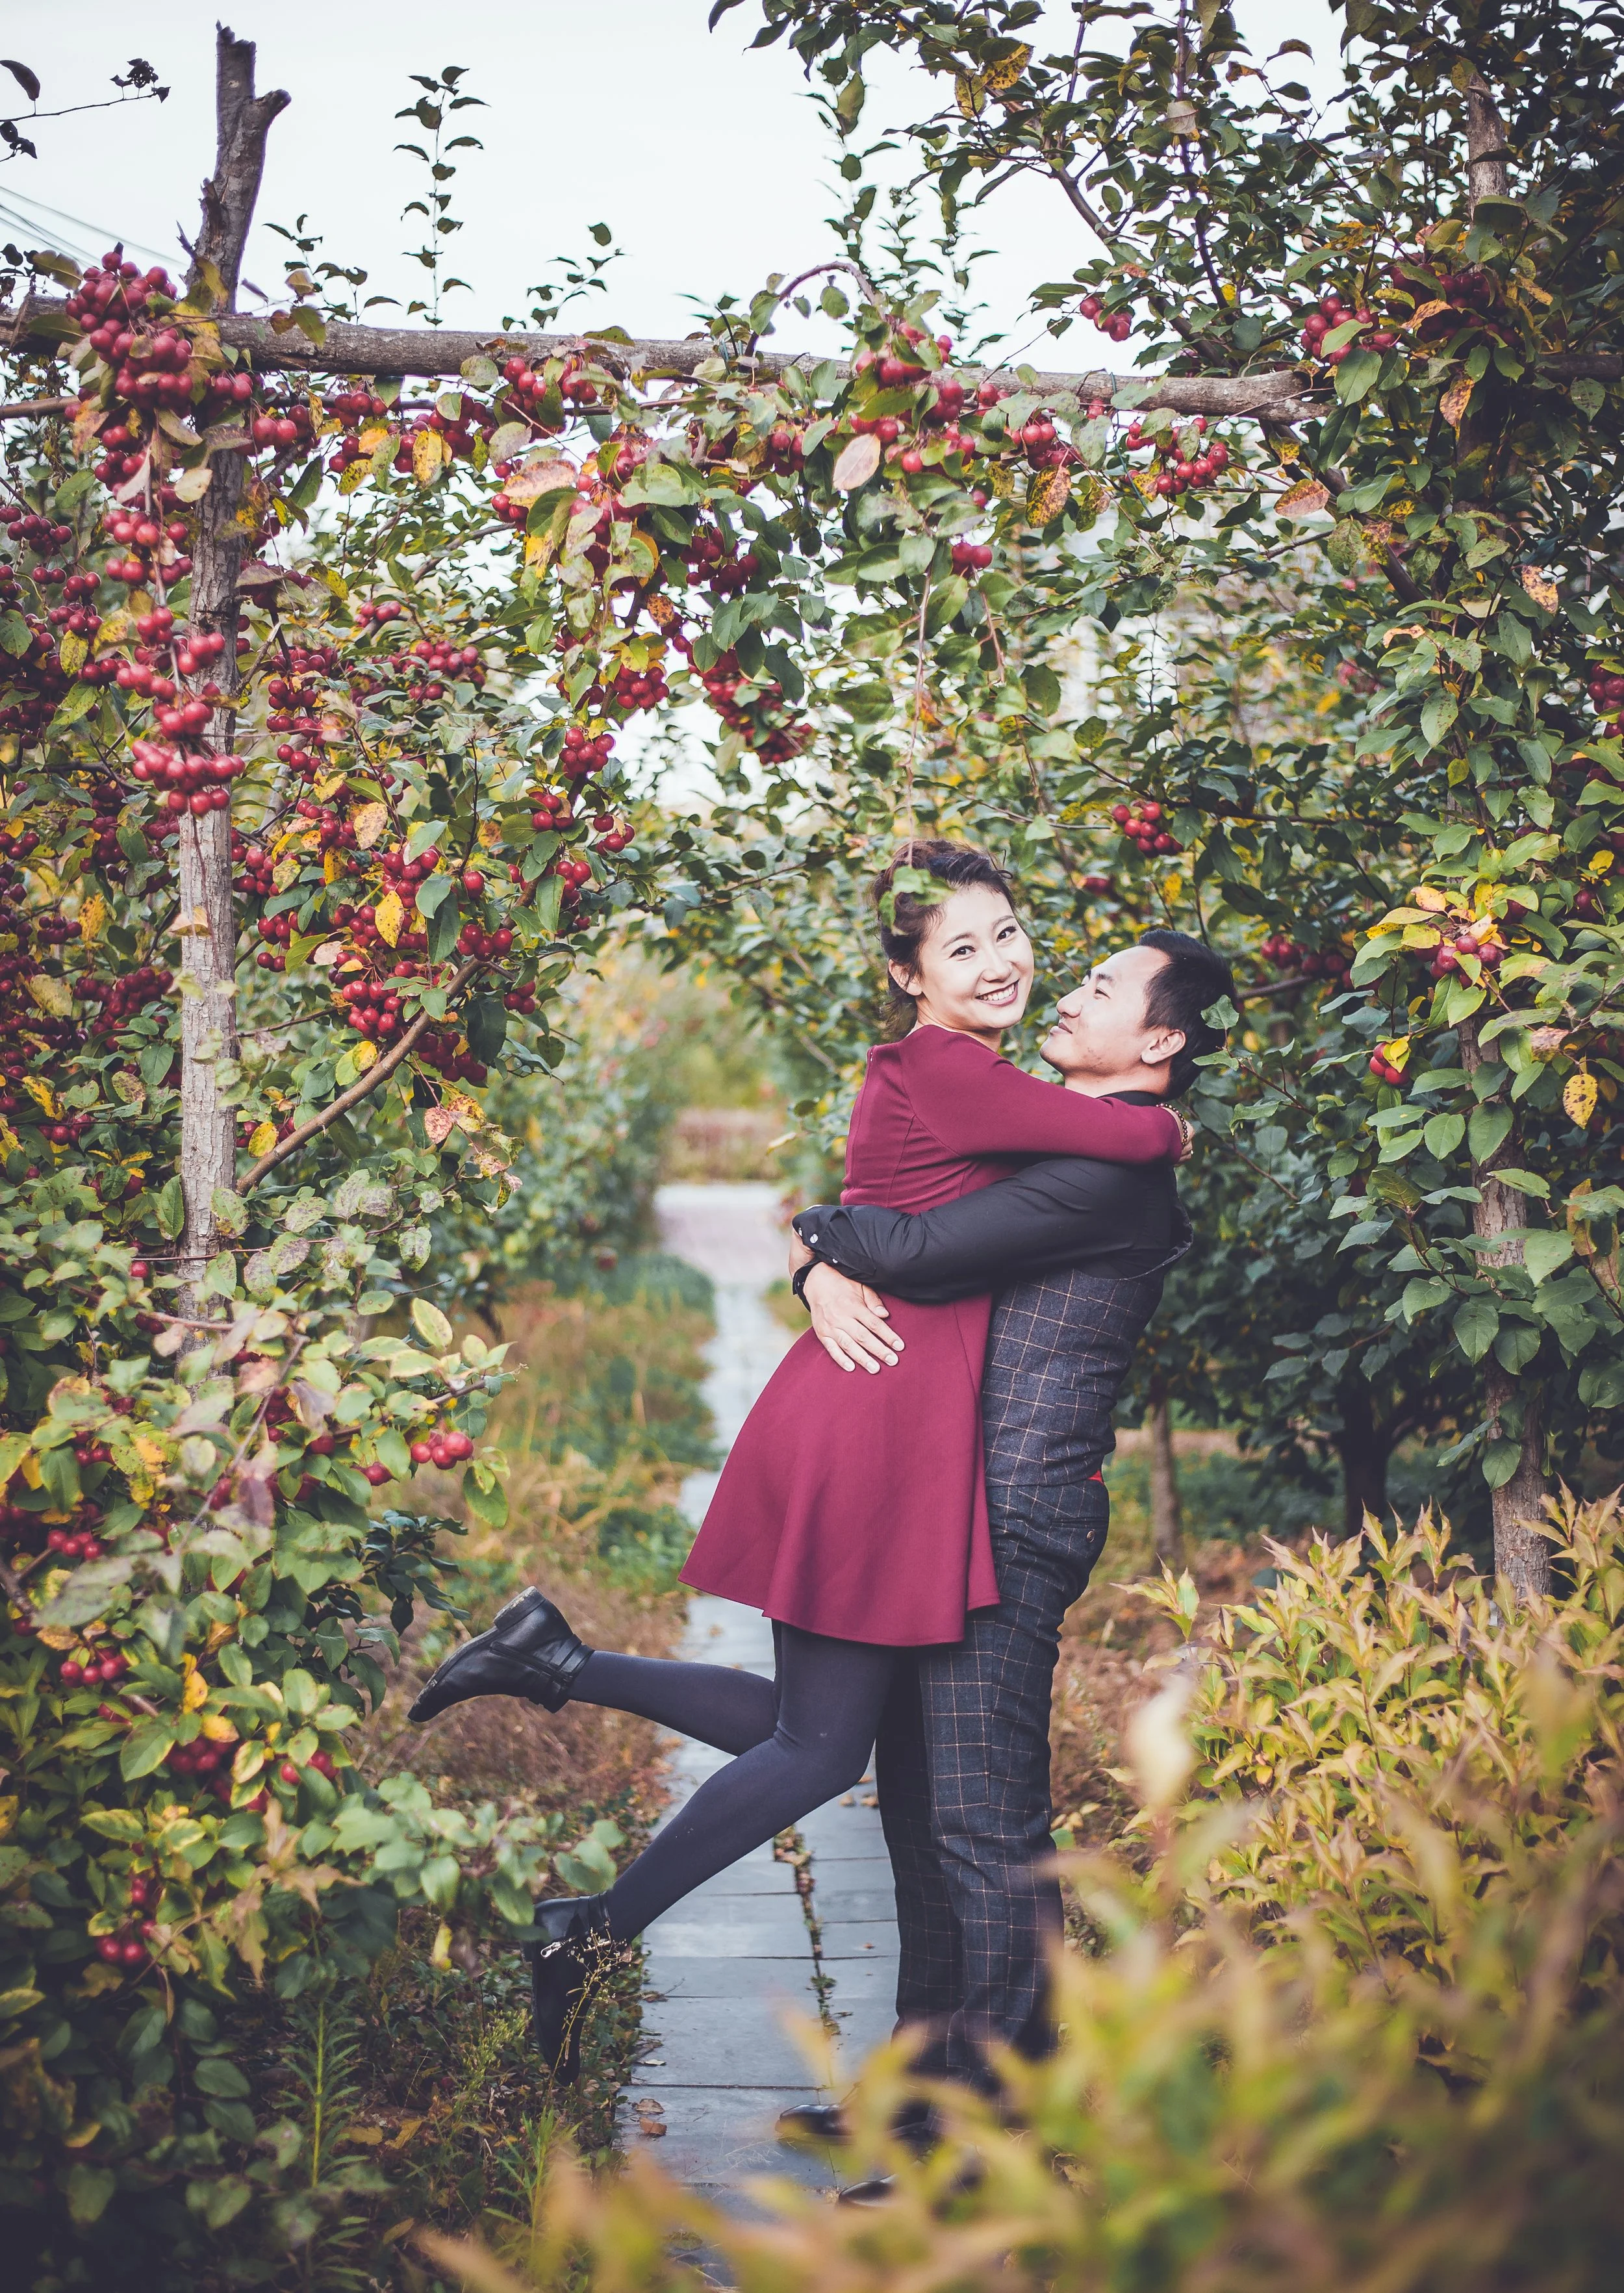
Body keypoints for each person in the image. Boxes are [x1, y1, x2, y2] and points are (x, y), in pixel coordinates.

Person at [407, 842, 1187, 2083]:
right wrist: (822, 1248)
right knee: (824, 1748)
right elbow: (1044, 1176)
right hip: (885, 1415)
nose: (1006, 964)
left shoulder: (982, 1084)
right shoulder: (967, 1072)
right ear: (908, 974)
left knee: (817, 1728)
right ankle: (594, 1924)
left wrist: (818, 1247)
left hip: (902, 1418)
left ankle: (556, 1664)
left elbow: (921, 1210)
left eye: (1008, 935)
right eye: (963, 945)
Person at [773, 929, 1233, 2193]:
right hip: (953, 1516)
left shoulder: (1106, 1179)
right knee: (927, 1818)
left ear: (1158, 1044)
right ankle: (924, 2107)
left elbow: (908, 1248)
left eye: (1099, 989)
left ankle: (976, 2141)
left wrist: (809, 1236)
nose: (1065, 992)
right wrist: (817, 1262)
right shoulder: (1069, 1142)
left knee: (981, 1826)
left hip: (1010, 1522)